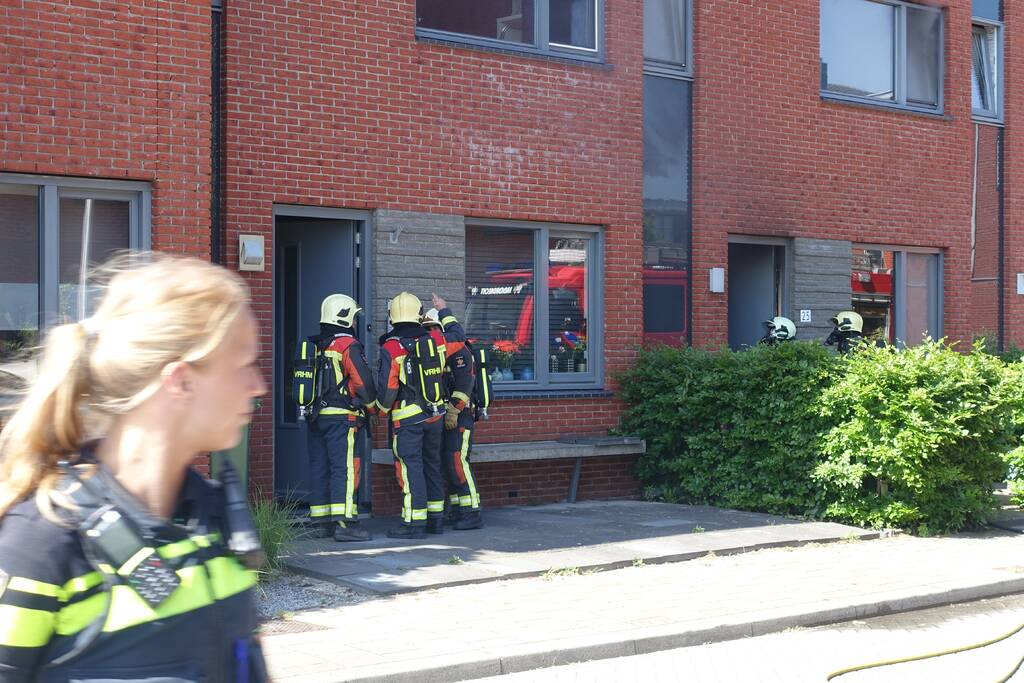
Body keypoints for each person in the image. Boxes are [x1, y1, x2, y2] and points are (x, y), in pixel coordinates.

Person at [0, 254, 269, 681]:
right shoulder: (41, 543)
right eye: (243, 364)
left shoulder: (216, 521)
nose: (259, 386)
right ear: (180, 380)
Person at [373, 292, 467, 539]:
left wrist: (378, 411)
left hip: (407, 420)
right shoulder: (435, 340)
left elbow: (388, 390)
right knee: (431, 465)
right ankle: (435, 520)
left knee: (410, 468)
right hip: (435, 416)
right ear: (419, 314)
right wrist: (444, 310)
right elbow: (459, 336)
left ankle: (413, 523)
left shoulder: (391, 347)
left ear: (392, 317)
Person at [305, 294, 376, 542]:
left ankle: (320, 523)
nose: (355, 322)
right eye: (353, 317)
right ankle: (345, 524)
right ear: (343, 317)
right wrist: (371, 408)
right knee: (344, 469)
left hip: (316, 417)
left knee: (320, 468)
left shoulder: (317, 344)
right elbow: (363, 382)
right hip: (342, 420)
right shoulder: (347, 344)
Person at [422, 309, 483, 530]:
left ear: (441, 328)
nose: (429, 333)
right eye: (426, 329)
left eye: (432, 328)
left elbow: (465, 382)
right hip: (442, 416)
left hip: (461, 415)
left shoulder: (459, 352)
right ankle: (458, 509)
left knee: (458, 461)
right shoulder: (436, 351)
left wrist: (454, 410)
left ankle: (472, 512)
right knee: (447, 462)